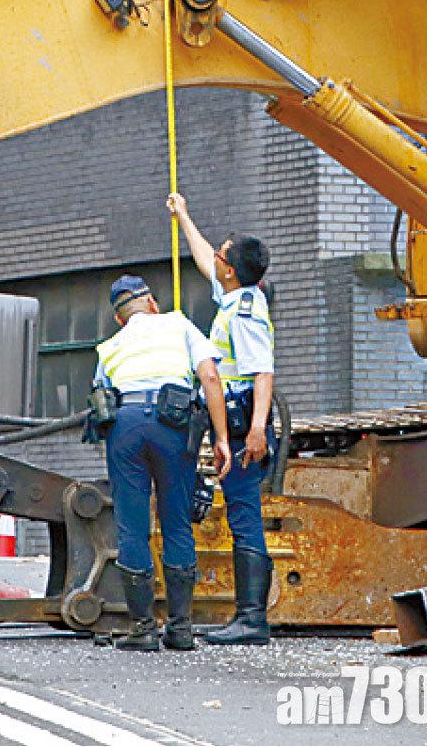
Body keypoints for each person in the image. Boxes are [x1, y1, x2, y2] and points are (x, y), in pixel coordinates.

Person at [94, 275, 231, 651]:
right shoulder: (179, 323)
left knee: (133, 527)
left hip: (126, 425)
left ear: (120, 319)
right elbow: (210, 376)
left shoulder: (110, 346)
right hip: (174, 424)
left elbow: (100, 399)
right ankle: (181, 628)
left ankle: (142, 629)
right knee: (176, 521)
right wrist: (220, 438)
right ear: (153, 303)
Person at [167, 192, 276, 646]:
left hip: (245, 419)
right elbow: (201, 258)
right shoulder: (232, 298)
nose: (215, 254)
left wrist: (255, 430)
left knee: (245, 511)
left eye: (222, 252)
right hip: (233, 420)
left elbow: (262, 371)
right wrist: (184, 217)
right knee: (238, 508)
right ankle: (247, 616)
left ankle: (252, 620)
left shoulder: (246, 312)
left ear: (232, 269)